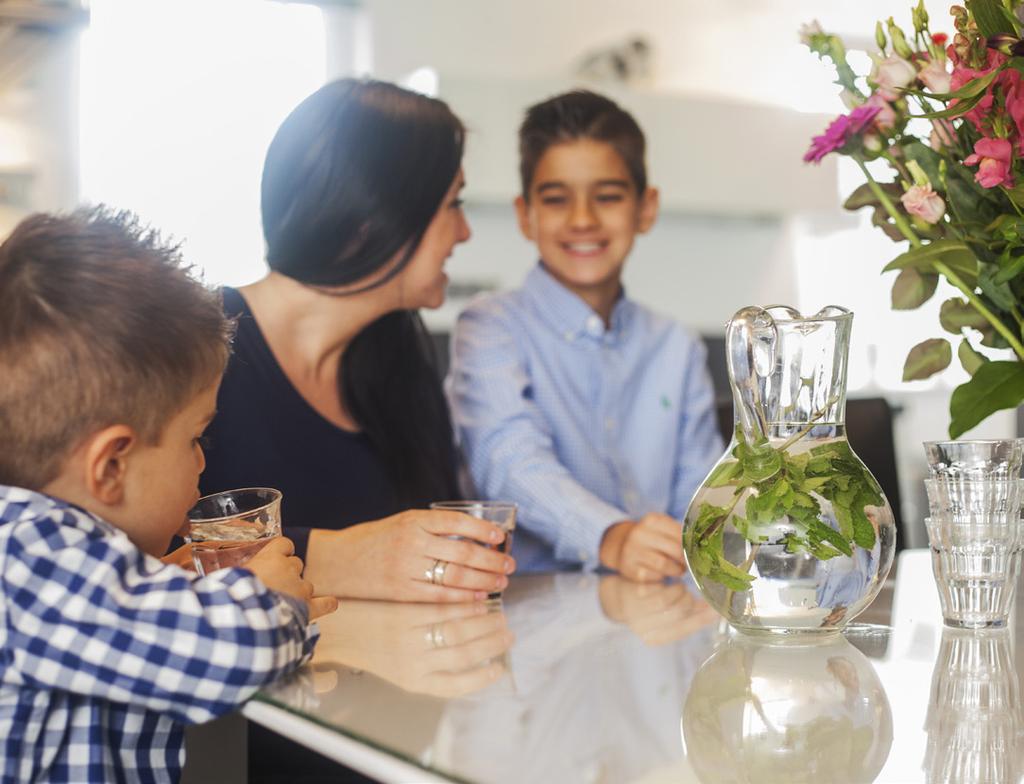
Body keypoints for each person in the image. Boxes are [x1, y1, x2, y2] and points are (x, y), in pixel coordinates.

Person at [0, 207, 335, 783]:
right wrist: (270, 597)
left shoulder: (48, 552)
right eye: (194, 437)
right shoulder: (28, 551)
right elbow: (231, 655)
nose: (204, 461)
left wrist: (171, 589)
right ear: (110, 466)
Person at [198, 77, 515, 604]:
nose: (464, 233)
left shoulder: (399, 356)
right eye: (452, 205)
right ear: (376, 217)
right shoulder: (197, 343)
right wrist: (335, 555)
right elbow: (143, 546)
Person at [448, 90, 723, 580]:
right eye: (556, 199)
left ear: (646, 208)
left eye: (608, 196)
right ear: (525, 215)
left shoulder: (676, 346)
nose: (582, 220)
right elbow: (508, 458)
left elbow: (702, 498)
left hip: (660, 613)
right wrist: (611, 537)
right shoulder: (489, 326)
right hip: (534, 622)